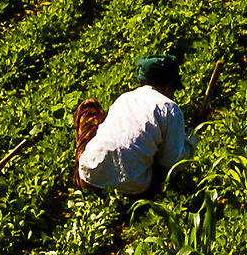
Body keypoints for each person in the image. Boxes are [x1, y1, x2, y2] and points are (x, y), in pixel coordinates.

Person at [76, 55, 191, 199]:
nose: (173, 94)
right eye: (173, 89)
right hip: (133, 191)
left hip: (88, 178)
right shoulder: (170, 108)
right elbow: (172, 161)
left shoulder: (124, 98)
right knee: (161, 160)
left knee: (90, 107)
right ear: (167, 86)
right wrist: (191, 138)